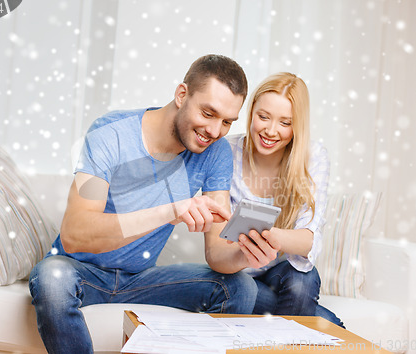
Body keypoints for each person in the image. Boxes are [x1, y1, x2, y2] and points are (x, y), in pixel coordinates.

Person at [29, 54, 263, 354]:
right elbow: (75, 234)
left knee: (240, 287)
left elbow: (217, 254)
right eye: (208, 113)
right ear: (182, 95)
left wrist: (246, 253)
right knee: (52, 278)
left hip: (141, 280)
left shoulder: (216, 153)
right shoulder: (110, 133)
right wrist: (170, 210)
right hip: (81, 271)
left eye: (227, 122)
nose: (215, 131)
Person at [225, 72, 343, 326]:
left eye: (285, 123)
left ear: (297, 125)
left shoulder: (313, 157)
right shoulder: (227, 152)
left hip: (279, 276)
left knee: (304, 279)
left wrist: (272, 238)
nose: (270, 130)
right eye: (263, 117)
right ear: (251, 112)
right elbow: (217, 242)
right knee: (327, 324)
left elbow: (309, 240)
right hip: (235, 273)